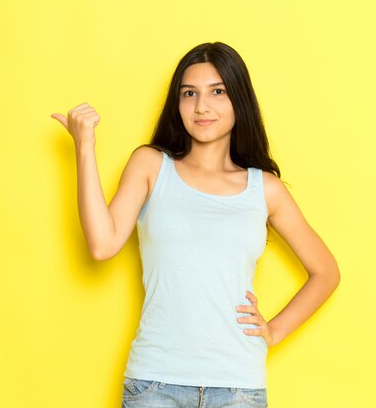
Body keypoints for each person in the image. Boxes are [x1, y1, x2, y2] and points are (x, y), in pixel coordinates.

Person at [50, 42, 340, 408]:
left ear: (239, 100)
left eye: (217, 91)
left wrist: (274, 330)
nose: (202, 106)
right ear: (178, 104)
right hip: (155, 384)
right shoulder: (151, 166)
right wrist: (84, 145)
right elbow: (102, 245)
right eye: (190, 94)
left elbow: (326, 272)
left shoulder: (264, 188)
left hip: (237, 388)